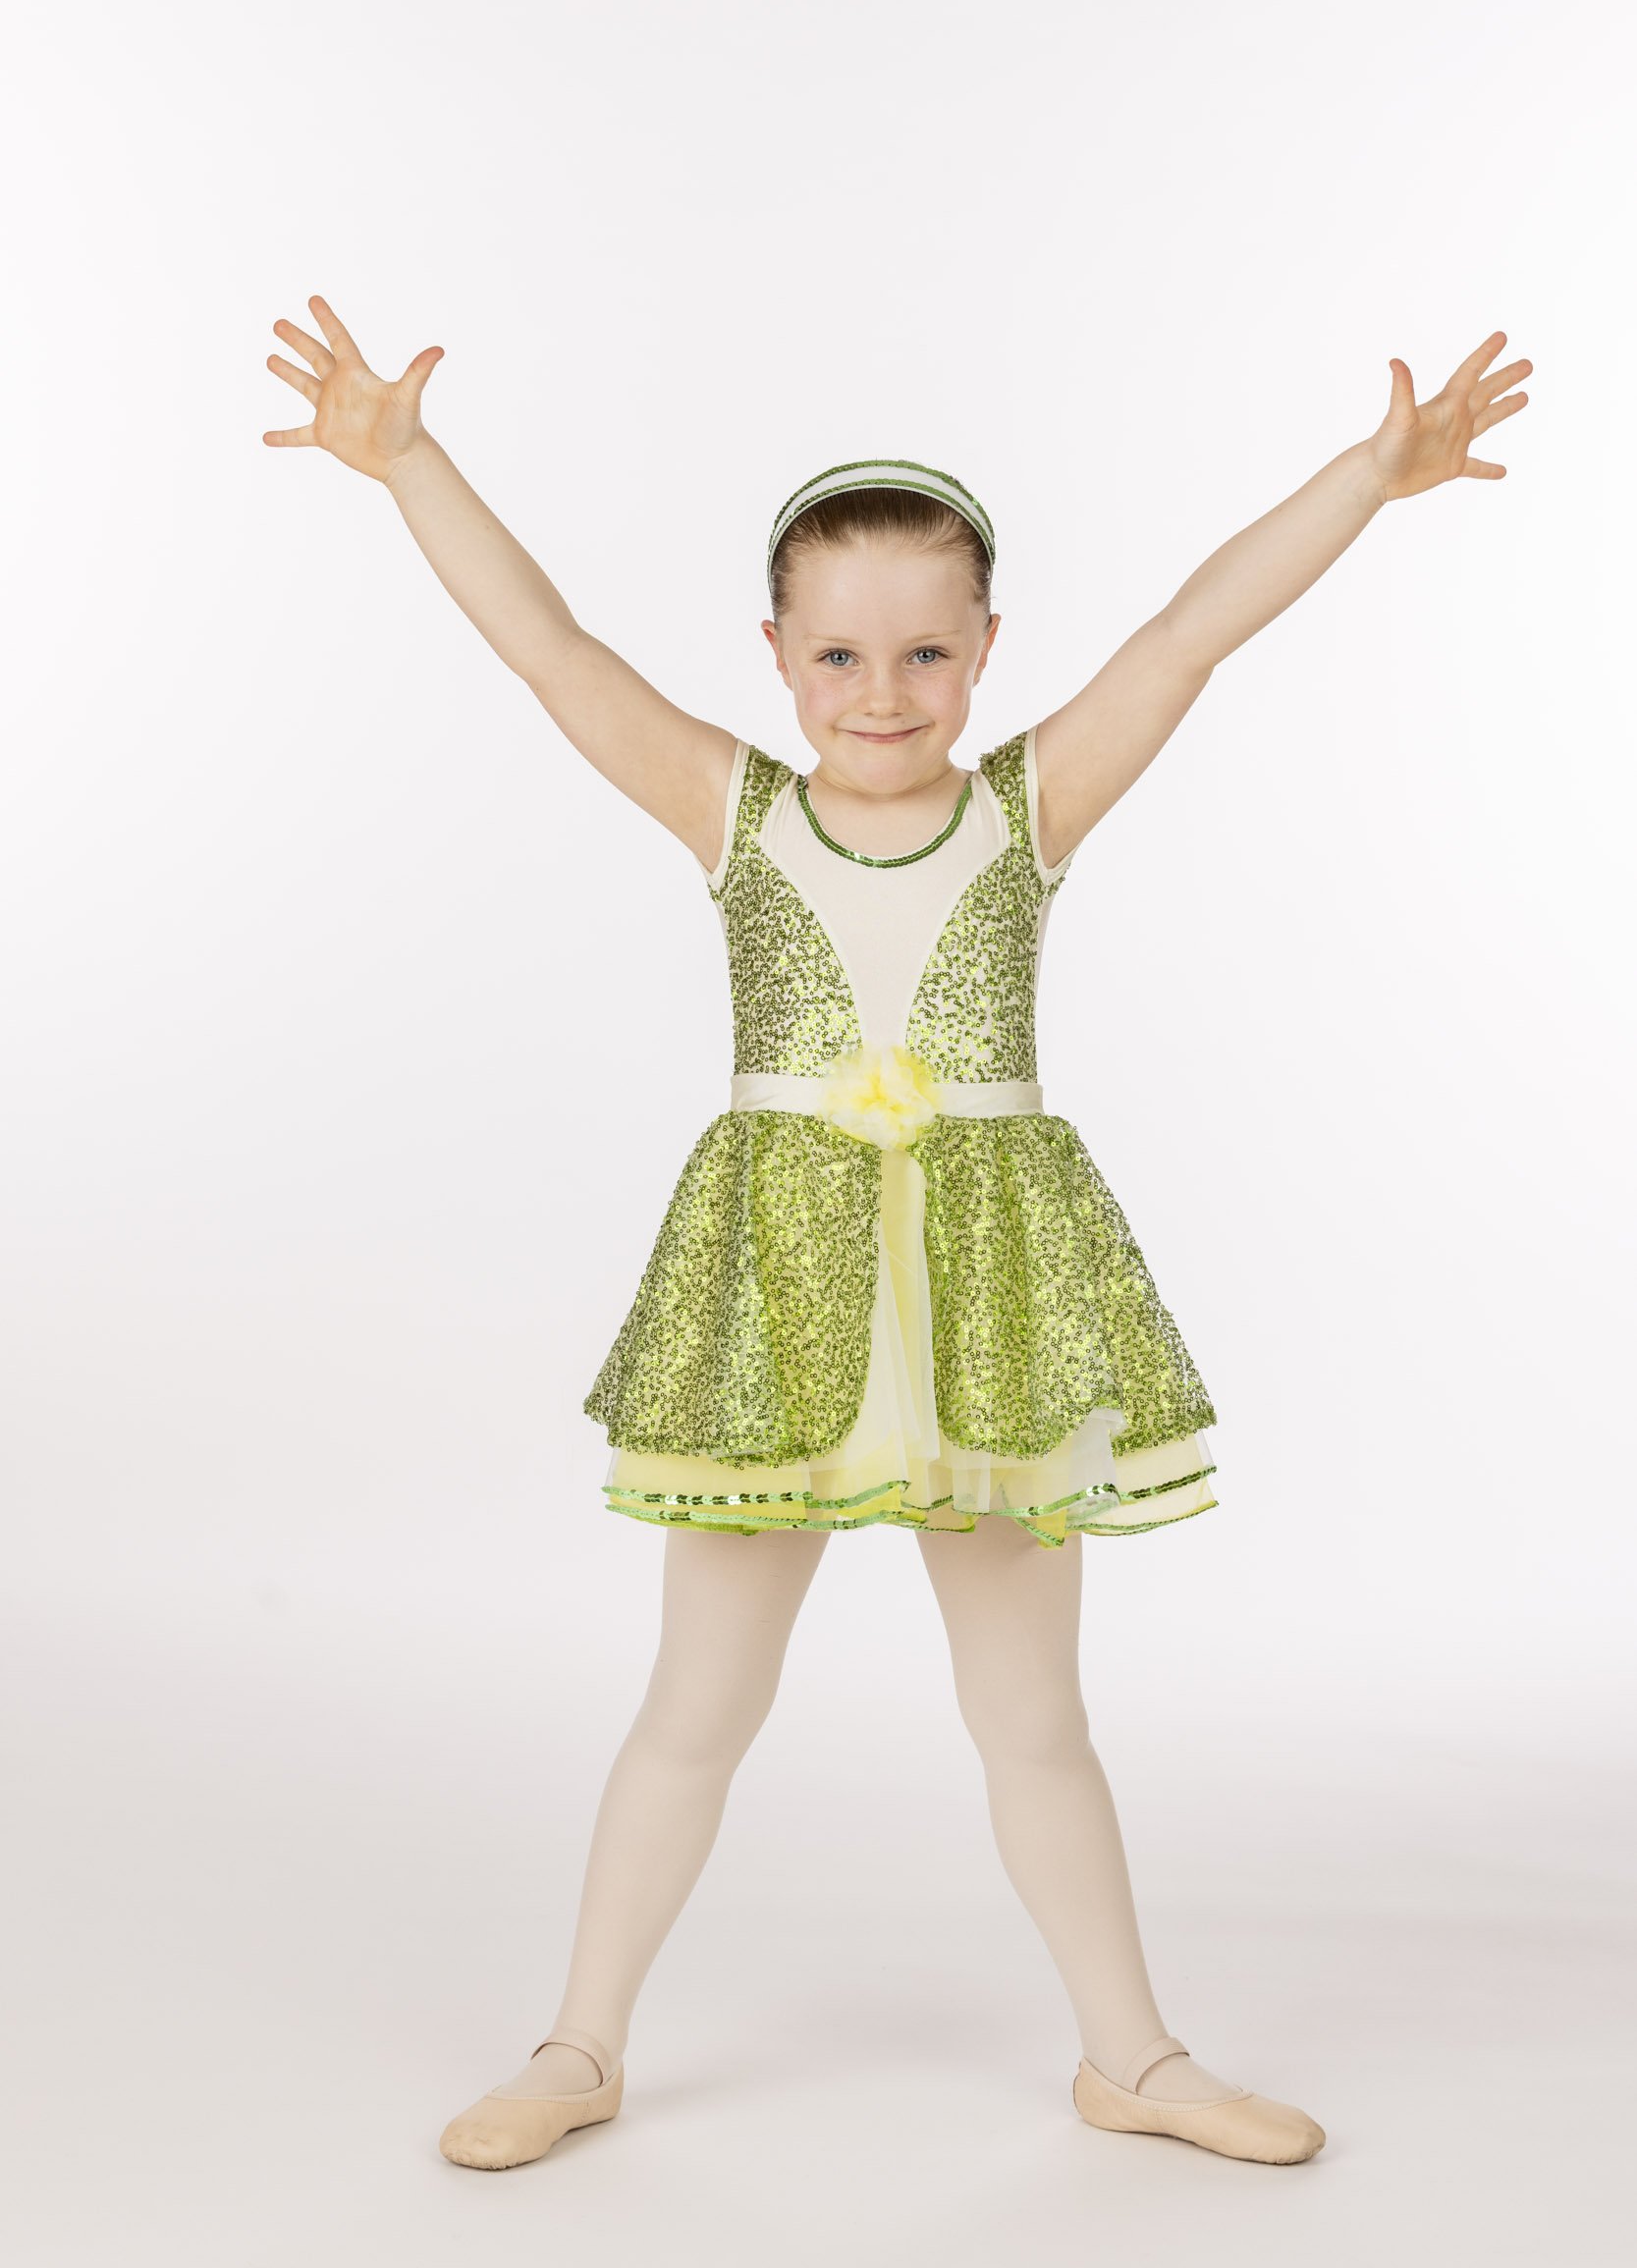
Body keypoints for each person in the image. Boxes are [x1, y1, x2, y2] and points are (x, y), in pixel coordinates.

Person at [263, 305, 1531, 2171]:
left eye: (929, 651)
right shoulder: (734, 812)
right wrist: (407, 464)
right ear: (775, 655)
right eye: (840, 652)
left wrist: (1372, 473)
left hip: (991, 1313)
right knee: (698, 1706)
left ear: (986, 653)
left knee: (1034, 1719)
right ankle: (580, 2045)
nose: (884, 691)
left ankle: (1137, 2058)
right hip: (779, 1306)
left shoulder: (1028, 809)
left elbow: (1192, 631)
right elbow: (553, 651)